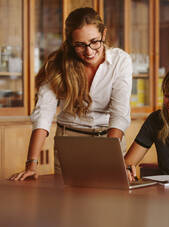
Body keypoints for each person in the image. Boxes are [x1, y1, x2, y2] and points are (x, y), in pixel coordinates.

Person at [10, 7, 132, 180]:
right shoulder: (57, 64)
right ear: (70, 43)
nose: (89, 51)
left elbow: (119, 114)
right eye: (80, 45)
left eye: (94, 41)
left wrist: (109, 157)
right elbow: (43, 113)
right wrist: (32, 163)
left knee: (110, 202)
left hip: (110, 139)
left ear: (104, 34)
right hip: (70, 141)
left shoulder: (121, 61)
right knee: (69, 202)